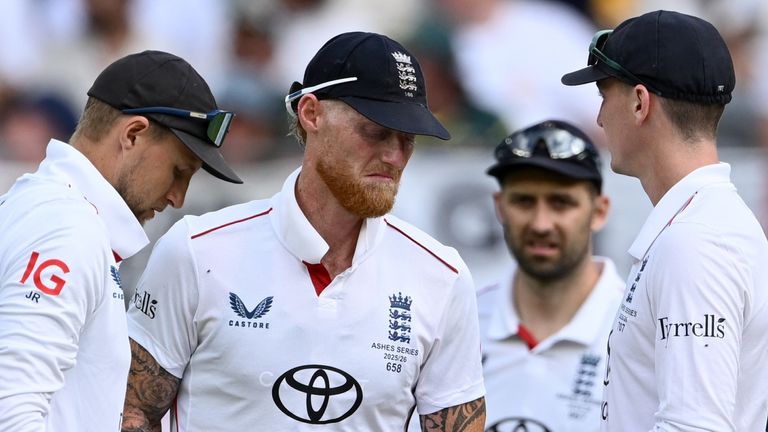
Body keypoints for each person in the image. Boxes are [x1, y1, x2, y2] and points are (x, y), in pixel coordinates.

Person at [122, 32, 486, 431]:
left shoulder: (442, 277)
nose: (395, 156)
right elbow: (132, 412)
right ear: (311, 114)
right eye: (376, 132)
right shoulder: (196, 250)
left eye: (408, 139)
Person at [0, 50, 241, 432]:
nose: (178, 197)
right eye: (179, 171)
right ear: (133, 135)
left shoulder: (48, 210)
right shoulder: (68, 228)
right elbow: (10, 410)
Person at [561, 10, 768, 431]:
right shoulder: (704, 225)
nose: (599, 118)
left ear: (640, 103)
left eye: (604, 94)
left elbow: (694, 426)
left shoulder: (695, 242)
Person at [479, 120, 624, 432]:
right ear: (500, 207)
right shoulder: (460, 321)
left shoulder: (638, 329)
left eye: (561, 203)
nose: (541, 224)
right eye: (524, 201)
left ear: (599, 211)